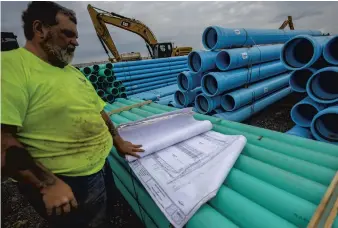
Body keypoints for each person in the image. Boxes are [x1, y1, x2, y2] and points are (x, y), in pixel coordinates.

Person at [1, 1, 144, 227]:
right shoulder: (10, 66)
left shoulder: (70, 71)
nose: (75, 42)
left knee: (104, 215)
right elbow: (3, 139)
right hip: (65, 180)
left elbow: (97, 109)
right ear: (40, 29)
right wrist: (47, 184)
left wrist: (118, 140)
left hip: (101, 165)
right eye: (68, 34)